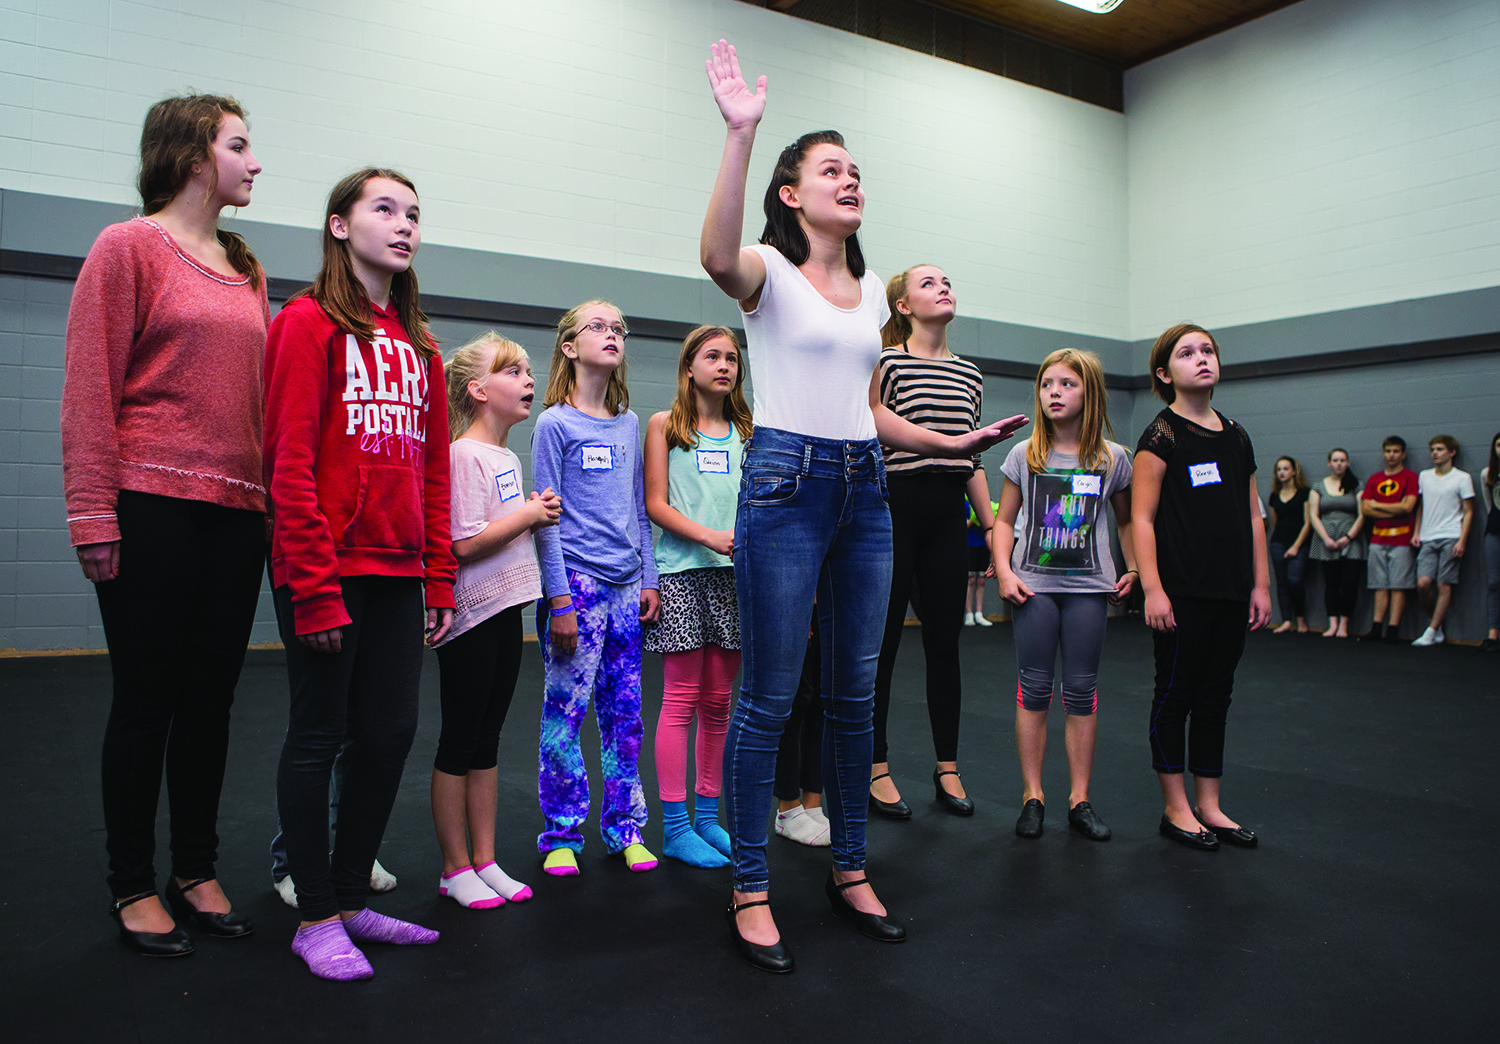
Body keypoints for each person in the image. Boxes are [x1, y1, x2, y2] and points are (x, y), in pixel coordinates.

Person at [700, 40, 1026, 972]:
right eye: (830, 170)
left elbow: (869, 408)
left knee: (851, 695)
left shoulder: (868, 298)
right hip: (786, 484)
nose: (850, 180)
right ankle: (751, 885)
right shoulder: (767, 268)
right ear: (793, 193)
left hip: (863, 488)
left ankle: (850, 869)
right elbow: (716, 254)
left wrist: (947, 444)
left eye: (856, 171)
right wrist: (741, 134)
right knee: (769, 697)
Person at [61, 94, 266, 958]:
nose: (254, 163)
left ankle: (195, 868)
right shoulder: (128, 247)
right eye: (240, 147)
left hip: (237, 513)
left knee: (212, 703)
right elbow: (89, 387)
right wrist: (90, 512)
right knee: (147, 700)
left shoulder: (246, 267)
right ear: (192, 157)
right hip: (149, 503)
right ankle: (131, 883)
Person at [264, 167, 455, 980]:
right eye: (384, 209)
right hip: (326, 568)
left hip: (398, 569)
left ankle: (348, 898)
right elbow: (289, 463)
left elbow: (435, 473)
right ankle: (313, 915)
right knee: (319, 736)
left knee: (390, 734)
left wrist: (439, 577)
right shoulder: (306, 325)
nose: (404, 224)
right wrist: (310, 585)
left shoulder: (422, 348)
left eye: (413, 213)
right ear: (340, 226)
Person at [531, 301, 661, 877]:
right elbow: (545, 518)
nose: (612, 335)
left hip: (626, 585)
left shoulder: (629, 423)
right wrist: (559, 600)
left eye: (619, 328)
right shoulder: (554, 424)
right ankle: (560, 832)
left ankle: (625, 827)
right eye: (598, 327)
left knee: (625, 714)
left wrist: (648, 577)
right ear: (569, 347)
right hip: (576, 588)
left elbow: (637, 507)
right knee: (566, 712)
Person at [430, 333, 558, 908]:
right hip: (472, 618)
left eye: (529, 370)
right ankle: (454, 868)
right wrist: (530, 514)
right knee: (459, 741)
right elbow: (463, 543)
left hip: (509, 613)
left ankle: (486, 859)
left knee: (488, 742)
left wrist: (528, 513)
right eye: (513, 371)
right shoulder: (463, 454)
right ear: (478, 390)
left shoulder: (507, 456)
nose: (528, 379)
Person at [1131, 323, 1270, 852]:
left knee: (1216, 698)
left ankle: (1210, 804)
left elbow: (1253, 515)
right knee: (1175, 694)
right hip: (1182, 590)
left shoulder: (1236, 435)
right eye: (1187, 353)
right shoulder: (1161, 435)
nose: (1202, 358)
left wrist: (1259, 583)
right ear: (1166, 374)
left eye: (1207, 350)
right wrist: (1153, 589)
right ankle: (1176, 808)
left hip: (1231, 589)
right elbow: (1142, 519)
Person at [869, 265, 998, 820]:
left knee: (945, 646)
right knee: (884, 647)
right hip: (896, 507)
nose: (943, 287)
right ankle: (875, 766)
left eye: (947, 280)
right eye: (927, 283)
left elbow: (967, 456)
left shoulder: (970, 375)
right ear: (902, 306)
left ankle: (948, 767)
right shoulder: (888, 362)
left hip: (948, 514)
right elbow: (873, 432)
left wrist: (992, 528)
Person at [993, 349, 1136, 843]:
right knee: (1034, 689)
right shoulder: (1025, 453)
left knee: (1080, 691)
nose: (1054, 392)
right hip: (1034, 589)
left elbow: (1127, 520)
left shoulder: (1112, 459)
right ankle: (1033, 796)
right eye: (1047, 384)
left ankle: (1080, 799)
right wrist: (1007, 573)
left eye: (1066, 384)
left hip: (1088, 592)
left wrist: (1133, 567)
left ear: (1089, 393)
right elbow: (1004, 521)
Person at [644, 325, 753, 868]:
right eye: (712, 356)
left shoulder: (749, 432)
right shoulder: (666, 426)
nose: (724, 365)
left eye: (732, 357)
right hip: (684, 574)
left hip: (736, 578)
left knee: (719, 703)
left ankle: (708, 817)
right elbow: (656, 504)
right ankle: (677, 825)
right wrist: (710, 536)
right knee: (682, 700)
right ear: (689, 366)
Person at [1412, 435, 1475, 647]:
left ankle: (1430, 632)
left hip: (1451, 535)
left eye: (1439, 449)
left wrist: (1462, 540)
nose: (1435, 453)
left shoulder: (1462, 478)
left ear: (1452, 452)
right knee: (1423, 584)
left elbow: (1468, 510)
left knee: (1443, 584)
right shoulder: (1425, 476)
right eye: (1432, 449)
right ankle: (1436, 627)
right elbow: (1420, 506)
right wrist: (1416, 531)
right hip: (1428, 537)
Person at [773, 618, 831, 847]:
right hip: (799, 592)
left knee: (821, 697)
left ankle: (812, 804)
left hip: (825, 594)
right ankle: (788, 808)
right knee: (796, 698)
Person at [1358, 436, 1419, 643]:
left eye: (1395, 451)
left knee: (1398, 585)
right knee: (1379, 585)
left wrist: (1378, 505)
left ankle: (1392, 629)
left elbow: (1408, 507)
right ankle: (1376, 627)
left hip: (1402, 539)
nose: (1391, 455)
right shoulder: (1375, 479)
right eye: (1388, 451)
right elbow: (1365, 509)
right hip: (1378, 538)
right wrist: (1394, 508)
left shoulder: (1410, 477)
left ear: (1403, 454)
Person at [1308, 448, 1365, 638]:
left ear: (1347, 463)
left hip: (1352, 538)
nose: (1339, 464)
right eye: (1335, 460)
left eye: (1342, 460)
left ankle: (1344, 625)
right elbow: (1313, 515)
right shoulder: (1318, 486)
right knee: (1331, 582)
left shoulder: (1356, 485)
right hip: (1326, 538)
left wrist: (1348, 537)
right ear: (1329, 463)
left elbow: (1362, 514)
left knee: (1350, 582)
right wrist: (1325, 538)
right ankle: (1332, 624)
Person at [1266, 456, 1312, 634]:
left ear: (1294, 471)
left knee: (1295, 580)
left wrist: (1295, 546)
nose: (1282, 473)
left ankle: (1300, 619)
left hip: (1299, 541)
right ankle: (1286, 620)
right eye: (1279, 470)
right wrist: (1281, 542)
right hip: (1278, 541)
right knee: (1282, 581)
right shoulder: (1274, 496)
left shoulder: (1304, 493)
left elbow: (1307, 522)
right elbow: (1275, 521)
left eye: (1286, 469)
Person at [965, 497, 997, 626]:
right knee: (971, 579)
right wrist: (973, 519)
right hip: (970, 543)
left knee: (982, 579)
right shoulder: (964, 502)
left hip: (983, 543)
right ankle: (968, 614)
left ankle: (979, 613)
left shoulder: (987, 501)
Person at [1482, 432, 1500, 653]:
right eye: (1498, 445)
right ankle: (1492, 633)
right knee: (1494, 582)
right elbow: (1489, 506)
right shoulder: (1488, 474)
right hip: (1494, 532)